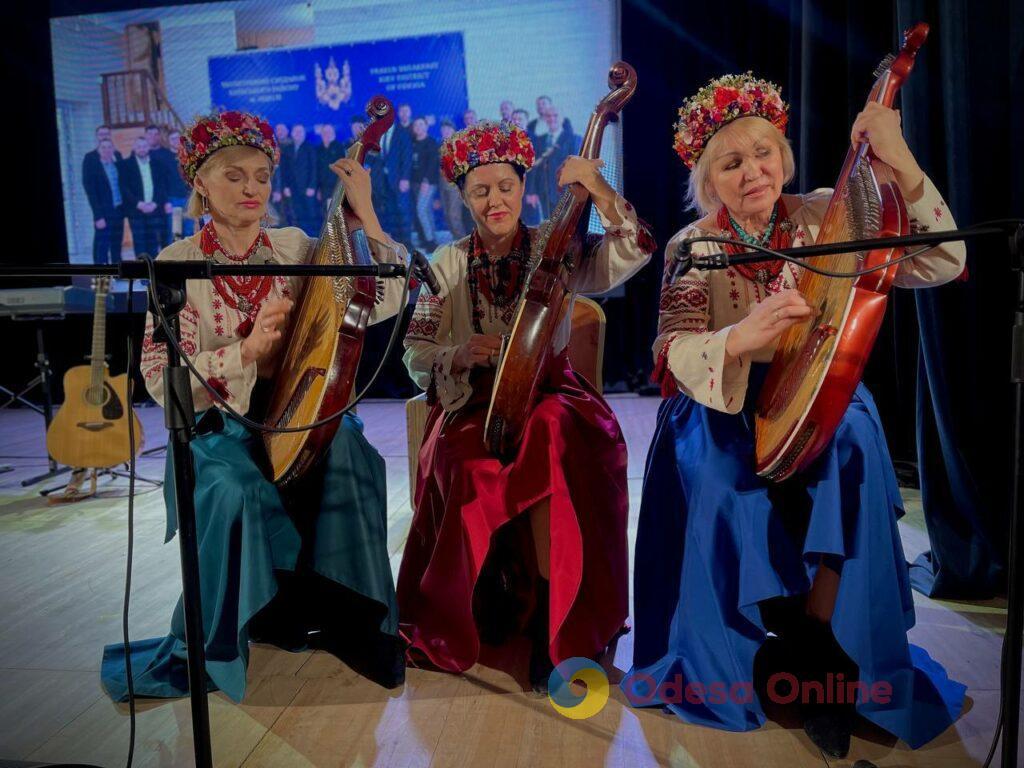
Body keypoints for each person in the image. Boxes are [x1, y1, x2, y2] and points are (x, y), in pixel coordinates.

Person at [623, 73, 967, 758]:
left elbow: (943, 261)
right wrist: (740, 339)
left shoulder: (826, 216)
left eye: (763, 154)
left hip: (819, 395)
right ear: (708, 181)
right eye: (731, 163)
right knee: (720, 478)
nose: (752, 172)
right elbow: (672, 347)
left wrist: (899, 160)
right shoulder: (694, 244)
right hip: (724, 401)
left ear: (784, 156)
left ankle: (823, 642)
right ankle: (785, 652)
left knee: (857, 441)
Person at [100, 110, 409, 703]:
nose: (251, 189)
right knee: (235, 488)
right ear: (201, 183)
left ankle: (353, 623)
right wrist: (248, 351)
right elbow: (160, 379)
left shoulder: (295, 247)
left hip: (296, 415)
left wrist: (365, 211)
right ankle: (220, 642)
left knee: (351, 454)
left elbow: (384, 297)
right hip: (216, 429)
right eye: (235, 176)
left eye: (262, 177)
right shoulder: (176, 262)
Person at [398, 120, 657, 689]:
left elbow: (635, 247)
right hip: (475, 403)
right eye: (481, 191)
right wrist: (460, 353)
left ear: (525, 188)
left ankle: (551, 623)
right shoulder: (446, 264)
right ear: (463, 197)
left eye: (506, 187)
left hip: (553, 395)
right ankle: (471, 607)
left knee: (549, 434)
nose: (496, 200)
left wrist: (600, 186)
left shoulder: (556, 246)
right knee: (463, 464)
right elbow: (415, 355)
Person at [119, 135, 169, 259]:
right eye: (139, 146)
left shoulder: (157, 164)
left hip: (154, 209)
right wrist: (139, 204)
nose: (142, 149)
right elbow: (124, 188)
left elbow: (161, 186)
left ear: (148, 148)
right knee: (139, 243)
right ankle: (143, 276)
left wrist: (155, 203)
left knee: (153, 243)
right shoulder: (126, 165)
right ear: (134, 148)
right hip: (136, 211)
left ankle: (153, 274)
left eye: (144, 146)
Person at [82, 136, 125, 264]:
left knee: (116, 245)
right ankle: (102, 278)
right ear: (98, 150)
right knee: (102, 247)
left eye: (109, 147)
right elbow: (92, 194)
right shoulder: (95, 167)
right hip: (103, 214)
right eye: (103, 147)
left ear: (113, 149)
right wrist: (98, 216)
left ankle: (117, 273)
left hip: (118, 210)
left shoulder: (117, 164)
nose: (106, 150)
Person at [409, 116, 440, 251]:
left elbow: (433, 163)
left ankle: (430, 241)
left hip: (428, 183)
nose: (419, 127)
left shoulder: (431, 142)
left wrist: (426, 181)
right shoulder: (412, 142)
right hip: (415, 183)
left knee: (421, 210)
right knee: (426, 211)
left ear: (426, 126)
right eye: (416, 125)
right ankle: (432, 239)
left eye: (421, 125)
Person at [285, 124, 320, 235]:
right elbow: (285, 170)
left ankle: (313, 240)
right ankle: (301, 238)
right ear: (292, 133)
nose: (298, 134)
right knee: (297, 214)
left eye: (300, 132)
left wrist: (312, 186)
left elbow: (314, 168)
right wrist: (286, 187)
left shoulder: (310, 148)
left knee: (310, 215)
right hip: (293, 188)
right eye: (296, 131)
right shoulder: (288, 149)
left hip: (307, 188)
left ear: (304, 134)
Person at [436, 119, 467, 241]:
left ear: (454, 130)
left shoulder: (460, 144)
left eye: (448, 129)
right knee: (447, 215)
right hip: (442, 185)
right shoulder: (439, 145)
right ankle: (457, 240)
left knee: (454, 216)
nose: (445, 131)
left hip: (455, 186)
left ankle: (464, 243)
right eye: (443, 129)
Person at [317, 123, 346, 210]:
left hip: (336, 187)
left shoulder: (340, 148)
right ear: (321, 134)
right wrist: (318, 188)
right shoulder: (318, 149)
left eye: (329, 131)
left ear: (334, 133)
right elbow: (316, 171)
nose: (327, 134)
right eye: (324, 132)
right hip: (322, 189)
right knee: (324, 214)